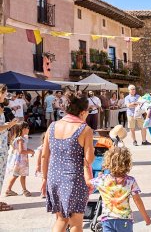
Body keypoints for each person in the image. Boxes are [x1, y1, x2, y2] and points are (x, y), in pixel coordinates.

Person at [41, 94, 95, 232]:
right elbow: (89, 159)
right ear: (82, 111)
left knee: (61, 220)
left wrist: (44, 178)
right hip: (74, 179)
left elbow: (44, 156)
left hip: (54, 178)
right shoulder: (85, 129)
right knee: (76, 223)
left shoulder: (52, 126)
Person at [87, 147, 151, 231]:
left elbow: (88, 182)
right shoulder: (130, 181)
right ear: (127, 163)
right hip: (125, 220)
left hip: (107, 219)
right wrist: (145, 216)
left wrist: (86, 166)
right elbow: (137, 200)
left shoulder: (102, 179)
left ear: (107, 162)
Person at [0, 84, 18, 211]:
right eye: (5, 93)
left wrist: (8, 126)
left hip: (2, 145)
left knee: (1, 174)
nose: (6, 95)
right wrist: (9, 125)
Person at [5, 122, 34, 197]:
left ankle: (11, 189)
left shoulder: (21, 138)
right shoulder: (20, 139)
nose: (28, 129)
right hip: (21, 161)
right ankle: (22, 190)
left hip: (20, 161)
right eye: (26, 128)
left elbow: (22, 149)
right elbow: (21, 151)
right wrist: (29, 151)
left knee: (18, 175)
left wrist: (30, 150)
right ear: (22, 129)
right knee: (19, 175)